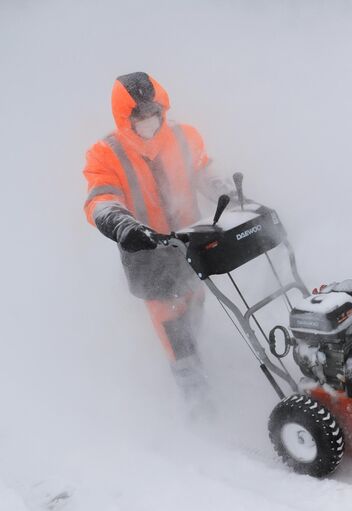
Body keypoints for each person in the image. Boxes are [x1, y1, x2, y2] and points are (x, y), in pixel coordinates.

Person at [82, 71, 234, 409]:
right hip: (146, 252)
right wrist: (122, 225)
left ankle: (202, 366)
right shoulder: (105, 155)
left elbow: (203, 169)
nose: (149, 121)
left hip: (190, 245)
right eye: (139, 115)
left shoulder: (184, 137)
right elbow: (100, 199)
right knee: (171, 326)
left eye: (154, 112)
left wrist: (221, 187)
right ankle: (197, 401)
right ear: (125, 118)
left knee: (194, 308)